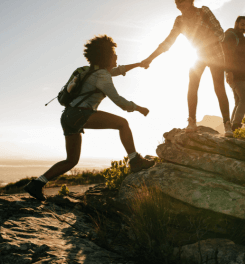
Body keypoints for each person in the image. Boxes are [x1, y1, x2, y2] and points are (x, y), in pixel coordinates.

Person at [24, 35, 155, 201]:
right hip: (81, 114)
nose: (116, 58)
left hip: (68, 116)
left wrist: (138, 64)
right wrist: (138, 108)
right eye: (114, 55)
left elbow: (116, 70)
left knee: (71, 160)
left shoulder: (87, 71)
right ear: (106, 56)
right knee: (123, 123)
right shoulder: (102, 76)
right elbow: (118, 100)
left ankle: (36, 184)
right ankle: (135, 160)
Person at [140, 0, 233, 137]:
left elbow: (220, 33)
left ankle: (227, 124)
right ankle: (191, 121)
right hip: (197, 55)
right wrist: (150, 58)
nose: (178, 5)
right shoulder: (179, 21)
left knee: (219, 88)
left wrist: (206, 41)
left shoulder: (204, 11)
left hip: (215, 54)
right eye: (176, 2)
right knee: (192, 86)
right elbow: (167, 42)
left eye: (181, 1)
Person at [224, 16, 245, 131]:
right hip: (234, 73)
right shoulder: (231, 34)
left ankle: (231, 127)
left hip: (240, 74)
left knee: (239, 101)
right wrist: (228, 71)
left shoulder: (241, 38)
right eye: (242, 24)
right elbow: (227, 53)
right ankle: (235, 126)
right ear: (236, 23)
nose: (244, 27)